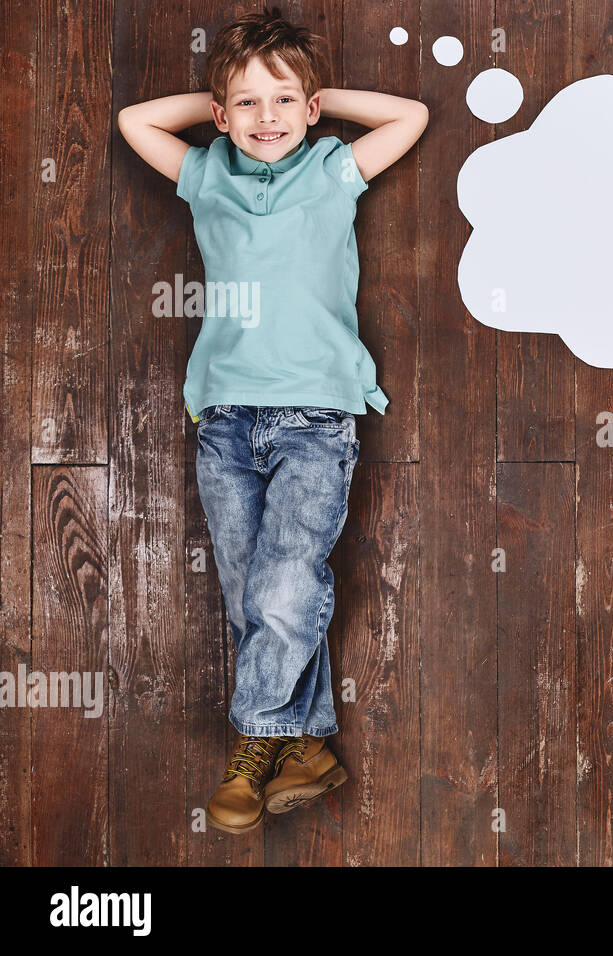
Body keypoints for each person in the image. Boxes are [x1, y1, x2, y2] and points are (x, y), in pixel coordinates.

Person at [117, 6, 428, 833]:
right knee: (256, 596)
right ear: (219, 117)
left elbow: (412, 116)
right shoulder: (207, 174)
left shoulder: (332, 170)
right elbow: (133, 121)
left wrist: (306, 92)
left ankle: (254, 741)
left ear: (313, 108)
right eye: (244, 106)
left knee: (289, 583)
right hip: (223, 416)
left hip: (317, 415)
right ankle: (308, 746)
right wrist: (228, 92)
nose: (266, 119)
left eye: (284, 102)